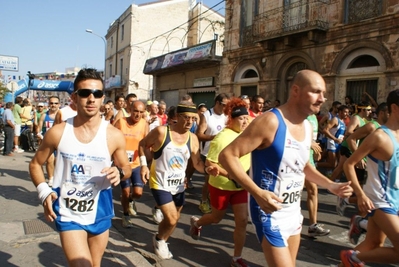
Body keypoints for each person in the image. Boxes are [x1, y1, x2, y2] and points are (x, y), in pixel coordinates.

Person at [219, 70, 353, 267]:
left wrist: (331, 185)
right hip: (268, 212)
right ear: (296, 90)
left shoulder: (307, 126)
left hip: (293, 211)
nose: (322, 99)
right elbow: (227, 155)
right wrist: (256, 192)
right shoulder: (270, 121)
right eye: (316, 92)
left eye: (323, 93)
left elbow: (303, 165)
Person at [29, 68, 131, 267]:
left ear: (103, 98)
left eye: (97, 94)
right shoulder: (57, 132)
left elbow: (126, 167)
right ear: (75, 97)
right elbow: (35, 164)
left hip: (99, 209)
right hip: (68, 211)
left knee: (94, 264)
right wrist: (44, 192)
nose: (91, 99)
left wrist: (119, 172)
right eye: (85, 93)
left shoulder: (113, 135)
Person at [139, 101, 218, 260]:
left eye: (193, 119)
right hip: (159, 182)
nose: (190, 122)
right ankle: (160, 240)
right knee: (172, 218)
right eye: (186, 118)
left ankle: (160, 239)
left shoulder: (193, 138)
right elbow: (142, 144)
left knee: (173, 220)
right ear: (177, 117)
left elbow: (196, 163)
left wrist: (207, 169)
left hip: (179, 185)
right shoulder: (162, 132)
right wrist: (144, 166)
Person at [189, 97, 251, 267]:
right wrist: (230, 174)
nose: (245, 121)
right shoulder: (222, 138)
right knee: (216, 218)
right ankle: (198, 222)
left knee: (242, 220)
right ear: (231, 119)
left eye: (247, 118)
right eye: (241, 119)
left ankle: (236, 258)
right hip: (221, 186)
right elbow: (210, 162)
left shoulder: (249, 134)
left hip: (241, 186)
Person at [340, 90, 399, 267]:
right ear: (395, 108)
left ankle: (347, 262)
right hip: (380, 200)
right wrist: (361, 195)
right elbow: (348, 164)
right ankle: (354, 259)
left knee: (373, 244)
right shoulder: (380, 136)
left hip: (395, 198)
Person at [113, 101, 149, 228]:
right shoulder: (121, 122)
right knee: (125, 191)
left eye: (141, 112)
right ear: (130, 110)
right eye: (135, 111)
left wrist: (146, 164)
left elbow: (146, 144)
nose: (138, 114)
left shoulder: (145, 124)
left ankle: (131, 201)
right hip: (122, 164)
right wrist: (114, 158)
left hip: (137, 164)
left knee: (138, 193)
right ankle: (126, 214)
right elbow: (112, 140)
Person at [196, 93, 229, 213]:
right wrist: (214, 138)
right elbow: (199, 134)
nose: (226, 107)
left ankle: (215, 199)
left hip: (223, 153)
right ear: (217, 103)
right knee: (208, 180)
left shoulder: (226, 115)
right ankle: (203, 201)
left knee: (221, 178)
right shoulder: (207, 115)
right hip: (209, 153)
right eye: (224, 105)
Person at [305, 114, 330, 237]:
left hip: (309, 159)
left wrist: (316, 151)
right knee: (292, 192)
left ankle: (313, 225)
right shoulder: (299, 114)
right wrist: (309, 144)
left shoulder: (314, 117)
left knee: (313, 190)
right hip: (296, 159)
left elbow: (313, 140)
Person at [37, 96, 61, 186]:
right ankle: (51, 178)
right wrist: (39, 134)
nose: (53, 105)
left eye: (55, 103)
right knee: (49, 160)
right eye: (51, 103)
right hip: (47, 141)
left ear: (59, 104)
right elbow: (39, 127)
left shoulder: (62, 115)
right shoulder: (44, 115)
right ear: (48, 104)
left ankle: (57, 176)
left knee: (56, 160)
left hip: (59, 141)